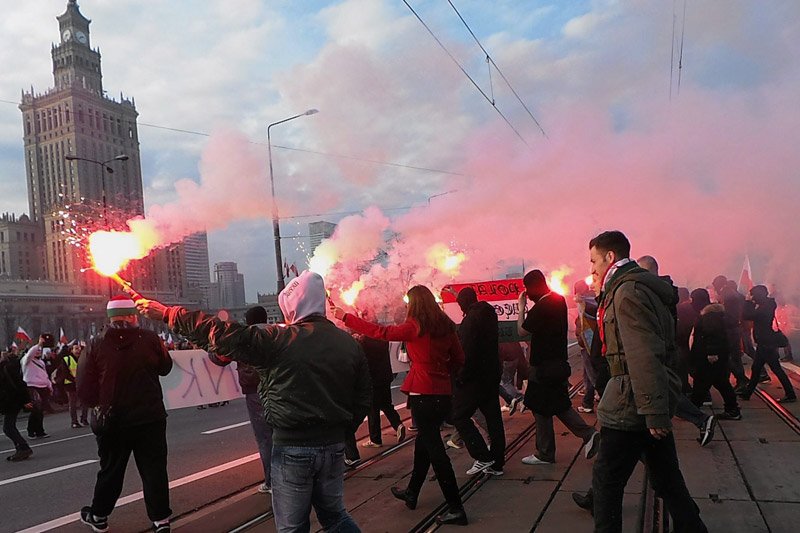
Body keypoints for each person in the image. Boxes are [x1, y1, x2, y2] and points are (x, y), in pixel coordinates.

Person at [139, 271, 370, 533]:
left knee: (292, 528)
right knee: (336, 517)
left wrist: (170, 315)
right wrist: (340, 432)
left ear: (293, 306)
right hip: (333, 446)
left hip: (292, 447)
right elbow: (363, 398)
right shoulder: (348, 343)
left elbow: (226, 335)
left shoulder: (280, 340)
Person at [589, 231, 707, 533]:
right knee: (666, 476)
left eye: (594, 261)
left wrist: (653, 411)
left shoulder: (627, 292)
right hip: (648, 393)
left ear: (610, 257)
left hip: (631, 398)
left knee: (606, 481)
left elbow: (642, 352)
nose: (592, 269)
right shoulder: (641, 286)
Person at [334, 285, 468, 526]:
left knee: (436, 451)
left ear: (414, 304)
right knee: (424, 445)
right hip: (442, 394)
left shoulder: (415, 326)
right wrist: (440, 371)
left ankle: (456, 507)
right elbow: (459, 359)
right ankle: (412, 492)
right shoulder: (447, 326)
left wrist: (346, 317)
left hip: (422, 394)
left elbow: (381, 332)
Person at [77, 295, 174, 533]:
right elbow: (165, 368)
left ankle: (99, 516)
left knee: (111, 469)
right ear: (133, 316)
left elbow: (83, 384)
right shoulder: (150, 339)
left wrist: (96, 406)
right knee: (154, 469)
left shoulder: (95, 343)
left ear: (110, 319)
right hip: (149, 417)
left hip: (112, 420)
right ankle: (161, 520)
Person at [516, 270, 599, 466]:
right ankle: (586, 435)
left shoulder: (542, 306)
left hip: (542, 366)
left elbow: (521, 331)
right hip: (558, 364)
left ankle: (546, 452)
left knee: (539, 404)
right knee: (556, 404)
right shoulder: (558, 300)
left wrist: (521, 308)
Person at [637, 255, 715, 447]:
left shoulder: (656, 292)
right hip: (665, 348)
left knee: (663, 392)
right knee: (661, 391)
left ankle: (701, 419)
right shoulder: (666, 291)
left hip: (658, 349)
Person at [208, 305, 274, 494]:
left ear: (248, 320)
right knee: (282, 433)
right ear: (266, 318)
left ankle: (271, 481)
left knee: (264, 437)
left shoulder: (244, 336)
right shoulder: (277, 332)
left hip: (254, 391)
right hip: (280, 388)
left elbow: (220, 357)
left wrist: (211, 348)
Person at [450, 287, 506, 476]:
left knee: (459, 416)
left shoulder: (470, 321)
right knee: (494, 420)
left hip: (474, 379)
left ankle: (482, 455)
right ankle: (497, 463)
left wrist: (460, 376)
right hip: (490, 375)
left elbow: (467, 352)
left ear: (464, 302)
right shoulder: (488, 314)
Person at [356, 311, 407, 449]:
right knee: (386, 404)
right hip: (385, 375)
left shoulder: (364, 339)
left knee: (373, 409)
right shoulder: (382, 335)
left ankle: (375, 439)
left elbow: (361, 357)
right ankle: (398, 424)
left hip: (372, 378)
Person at [688, 289, 741, 419]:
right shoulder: (715, 314)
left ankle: (693, 409)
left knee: (702, 382)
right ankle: (732, 409)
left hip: (710, 357)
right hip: (716, 355)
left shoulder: (709, 316)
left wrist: (711, 353)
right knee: (721, 382)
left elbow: (712, 335)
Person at [739, 285, 797, 403]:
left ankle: (790, 394)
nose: (752, 297)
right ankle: (747, 393)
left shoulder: (764, 308)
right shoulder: (767, 305)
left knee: (775, 369)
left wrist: (747, 302)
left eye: (753, 294)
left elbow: (747, 315)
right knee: (756, 369)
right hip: (764, 342)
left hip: (766, 342)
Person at [0, 350, 34, 461]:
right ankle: (20, 449)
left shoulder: (7, 368)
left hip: (13, 401)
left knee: (8, 428)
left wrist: (26, 400)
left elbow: (19, 384)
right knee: (9, 427)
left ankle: (23, 447)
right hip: (8, 402)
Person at [21, 333, 55, 439]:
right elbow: (30, 354)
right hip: (32, 386)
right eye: (37, 350)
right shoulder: (26, 361)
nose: (39, 351)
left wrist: (50, 386)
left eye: (40, 350)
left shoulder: (41, 362)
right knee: (36, 408)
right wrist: (39, 344)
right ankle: (31, 430)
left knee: (40, 411)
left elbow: (44, 375)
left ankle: (40, 431)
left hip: (43, 387)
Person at [574, 280, 599, 414]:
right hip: (589, 342)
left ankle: (601, 394)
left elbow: (583, 323)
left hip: (588, 343)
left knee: (592, 373)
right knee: (588, 375)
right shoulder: (593, 299)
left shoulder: (586, 302)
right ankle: (587, 401)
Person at [59, 343, 89, 428]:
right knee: (73, 404)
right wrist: (75, 380)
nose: (78, 350)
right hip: (70, 384)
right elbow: (65, 373)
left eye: (79, 348)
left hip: (82, 384)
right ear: (71, 350)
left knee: (85, 402)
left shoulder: (84, 358)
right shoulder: (66, 359)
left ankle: (84, 418)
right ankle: (74, 422)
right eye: (76, 348)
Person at [498, 342, 525, 413]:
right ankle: (510, 401)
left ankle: (519, 398)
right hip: (514, 357)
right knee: (507, 381)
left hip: (506, 358)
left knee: (504, 383)